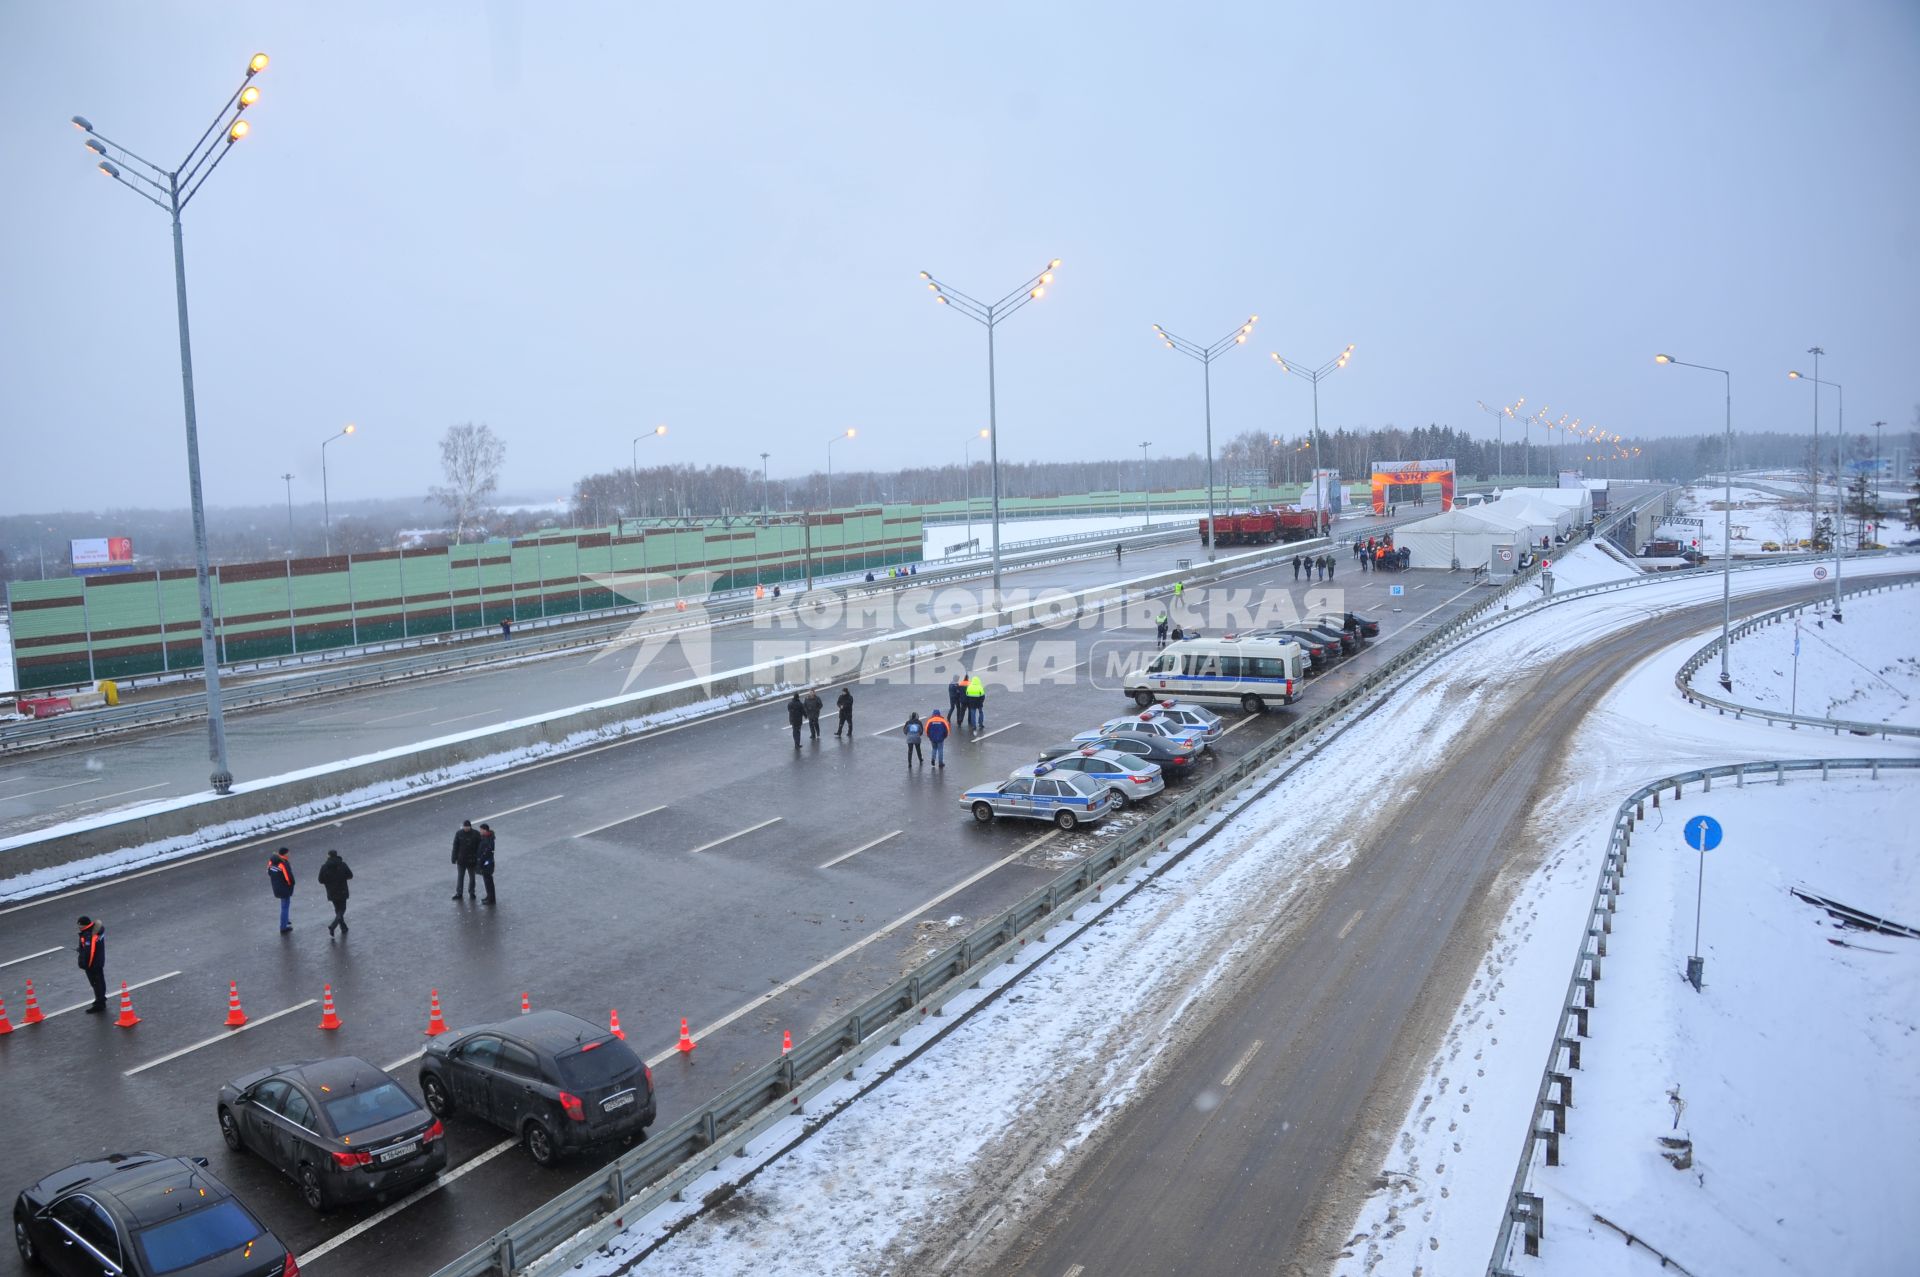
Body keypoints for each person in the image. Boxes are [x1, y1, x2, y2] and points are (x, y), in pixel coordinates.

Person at [318, 849, 353, 936]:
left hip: (331, 891)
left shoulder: (324, 867)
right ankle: (333, 925)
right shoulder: (342, 864)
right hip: (342, 890)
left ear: (328, 856)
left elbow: (320, 880)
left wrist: (328, 882)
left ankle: (343, 927)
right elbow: (350, 875)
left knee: (337, 909)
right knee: (342, 909)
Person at [76, 916, 107, 1013]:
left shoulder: (88, 935)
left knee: (95, 983)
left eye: (79, 925)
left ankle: (99, 1004)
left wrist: (86, 965)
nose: (78, 927)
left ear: (84, 925)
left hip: (93, 964)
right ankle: (101, 998)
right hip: (98, 961)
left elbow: (90, 952)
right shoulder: (96, 930)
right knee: (100, 981)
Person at [268, 848, 296, 932]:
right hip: (283, 888)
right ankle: (283, 926)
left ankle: (286, 919)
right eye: (288, 853)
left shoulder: (272, 861)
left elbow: (269, 872)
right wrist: (291, 884)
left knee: (283, 904)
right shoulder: (283, 864)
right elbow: (288, 878)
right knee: (285, 906)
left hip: (276, 886)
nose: (289, 854)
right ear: (285, 854)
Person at [451, 820, 480, 899]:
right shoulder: (459, 833)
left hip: (471, 860)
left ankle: (471, 892)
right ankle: (459, 893)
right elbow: (455, 846)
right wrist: (453, 858)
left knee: (472, 877)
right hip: (462, 860)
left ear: (470, 827)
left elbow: (479, 847)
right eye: (465, 827)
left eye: (467, 827)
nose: (466, 828)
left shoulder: (476, 834)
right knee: (461, 877)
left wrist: (478, 858)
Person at [475, 824, 497, 905]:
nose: (480, 831)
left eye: (481, 830)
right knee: (487, 881)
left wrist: (481, 860)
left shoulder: (488, 839)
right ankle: (489, 896)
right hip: (486, 863)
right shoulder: (486, 838)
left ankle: (491, 899)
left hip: (487, 864)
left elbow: (487, 852)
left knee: (488, 882)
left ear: (485, 830)